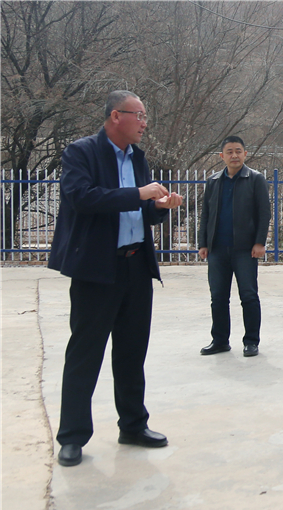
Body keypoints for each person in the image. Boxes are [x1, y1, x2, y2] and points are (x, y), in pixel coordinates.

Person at [47, 90, 183, 467]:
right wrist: (138, 193)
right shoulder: (82, 152)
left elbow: (140, 211)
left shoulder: (137, 158)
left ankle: (133, 425)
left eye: (144, 116)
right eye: (138, 115)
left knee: (131, 351)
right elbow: (82, 198)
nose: (144, 123)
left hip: (135, 266)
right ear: (114, 116)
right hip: (96, 270)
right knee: (85, 353)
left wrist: (159, 207)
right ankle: (72, 436)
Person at [198, 136, 271, 357]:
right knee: (218, 296)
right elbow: (206, 215)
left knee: (248, 295)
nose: (234, 155)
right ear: (222, 156)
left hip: (245, 249)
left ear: (245, 154)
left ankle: (251, 341)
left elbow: (264, 213)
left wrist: (259, 242)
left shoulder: (255, 179)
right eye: (229, 151)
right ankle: (219, 340)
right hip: (217, 249)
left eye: (238, 151)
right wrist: (203, 244)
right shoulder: (213, 181)